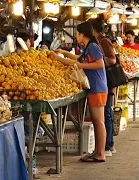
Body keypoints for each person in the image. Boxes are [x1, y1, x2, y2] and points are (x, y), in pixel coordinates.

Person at [50, 21, 108, 162]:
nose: (77, 36)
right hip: (95, 88)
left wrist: (79, 65)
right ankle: (97, 152)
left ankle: (100, 154)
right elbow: (79, 59)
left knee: (98, 121)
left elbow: (100, 64)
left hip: (98, 88)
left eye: (77, 33)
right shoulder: (89, 47)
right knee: (97, 121)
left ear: (82, 34)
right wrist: (63, 53)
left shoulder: (93, 46)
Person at [90, 18, 117, 157]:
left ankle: (107, 145)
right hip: (103, 81)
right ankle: (108, 145)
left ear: (93, 29)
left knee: (106, 113)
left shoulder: (104, 41)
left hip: (107, 82)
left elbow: (112, 60)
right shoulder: (97, 42)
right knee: (107, 113)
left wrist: (97, 60)